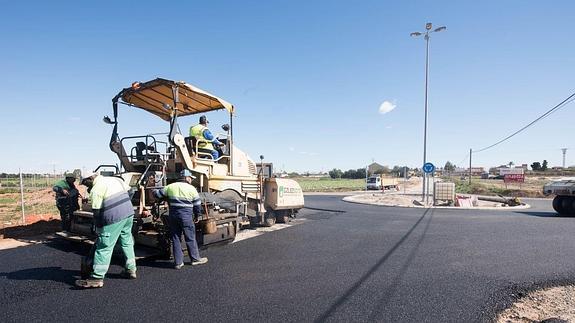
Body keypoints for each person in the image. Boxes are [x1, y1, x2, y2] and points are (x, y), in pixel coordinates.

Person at [75, 173, 137, 288]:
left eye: (84, 182)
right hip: (128, 214)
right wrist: (124, 204)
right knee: (127, 241)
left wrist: (98, 228)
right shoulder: (115, 180)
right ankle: (131, 269)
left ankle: (97, 278)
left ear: (90, 178)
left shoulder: (96, 189)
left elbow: (97, 213)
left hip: (114, 218)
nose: (85, 186)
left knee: (104, 245)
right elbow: (131, 191)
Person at [154, 169, 208, 269]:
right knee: (190, 237)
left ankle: (178, 263)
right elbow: (197, 205)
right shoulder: (192, 189)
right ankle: (195, 259)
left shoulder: (170, 186)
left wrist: (154, 190)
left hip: (173, 216)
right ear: (187, 178)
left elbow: (157, 195)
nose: (191, 180)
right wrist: (197, 215)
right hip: (186, 216)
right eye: (191, 178)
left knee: (175, 238)